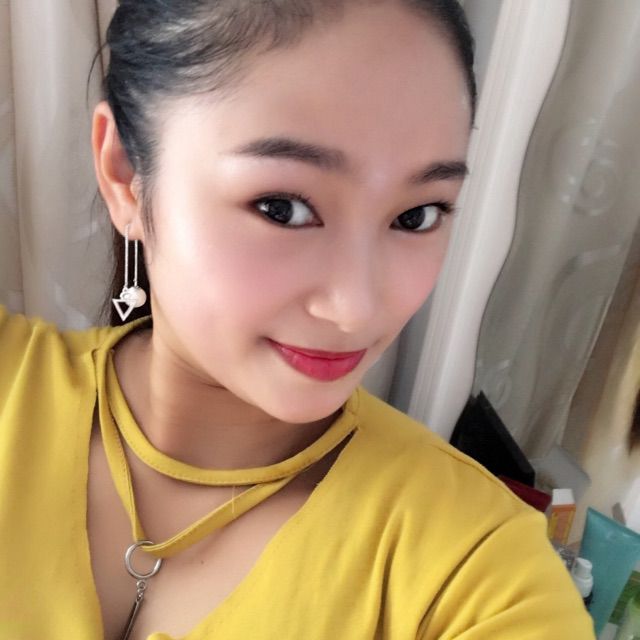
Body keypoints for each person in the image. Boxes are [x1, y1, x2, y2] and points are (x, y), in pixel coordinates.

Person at [0, 1, 595, 638]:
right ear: (125, 174)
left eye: (416, 216)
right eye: (281, 207)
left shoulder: (479, 567)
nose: (355, 308)